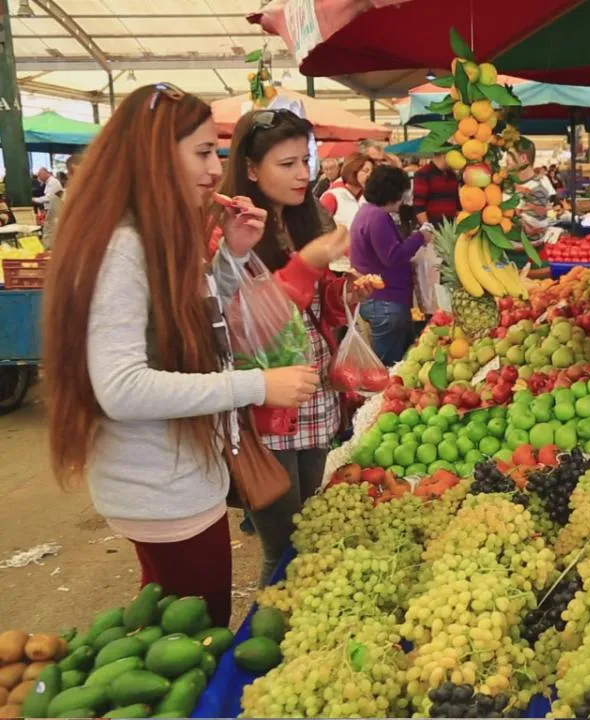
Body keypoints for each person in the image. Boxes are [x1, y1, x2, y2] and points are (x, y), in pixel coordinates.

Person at [41, 84, 318, 627]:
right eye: (200, 153)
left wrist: (231, 256)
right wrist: (258, 385)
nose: (216, 170)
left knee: (179, 621)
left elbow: (180, 323)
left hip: (178, 476)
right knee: (195, 630)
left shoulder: (153, 235)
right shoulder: (125, 247)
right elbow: (121, 387)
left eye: (215, 152)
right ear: (152, 154)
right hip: (161, 485)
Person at [217, 108, 367, 584]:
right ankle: (269, 639)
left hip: (316, 395)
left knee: (308, 529)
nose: (303, 174)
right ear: (250, 168)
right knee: (281, 548)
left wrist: (345, 296)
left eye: (305, 160)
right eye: (287, 164)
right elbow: (243, 327)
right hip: (266, 407)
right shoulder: (230, 231)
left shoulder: (306, 220)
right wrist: (305, 265)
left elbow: (314, 312)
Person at [351, 166, 430, 365]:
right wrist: (420, 237)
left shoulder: (366, 213)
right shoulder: (378, 217)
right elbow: (393, 256)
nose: (403, 200)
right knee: (390, 368)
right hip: (386, 303)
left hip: (380, 302)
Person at [511, 138, 554, 245]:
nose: (506, 160)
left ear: (523, 158)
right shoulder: (507, 183)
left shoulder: (541, 183)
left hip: (529, 248)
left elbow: (537, 225)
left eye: (510, 156)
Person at [320, 153, 373, 228]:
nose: (369, 175)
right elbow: (317, 229)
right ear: (353, 170)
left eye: (372, 171)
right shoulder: (332, 196)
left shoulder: (367, 196)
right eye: (366, 170)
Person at [42, 153, 82, 249]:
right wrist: (49, 249)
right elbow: (50, 227)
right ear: (69, 175)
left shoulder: (98, 197)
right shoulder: (59, 197)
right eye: (75, 173)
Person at [412, 152, 460, 227]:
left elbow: (457, 204)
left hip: (452, 227)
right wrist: (428, 228)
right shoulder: (423, 173)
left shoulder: (452, 175)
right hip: (433, 226)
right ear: (444, 156)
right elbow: (418, 204)